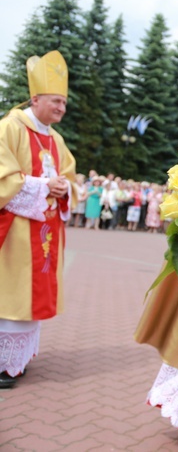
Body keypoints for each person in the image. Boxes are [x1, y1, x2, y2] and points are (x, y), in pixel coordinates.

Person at [0, 50, 76, 389]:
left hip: (45, 231)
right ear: (35, 98)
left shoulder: (57, 139)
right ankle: (4, 363)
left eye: (64, 102)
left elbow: (70, 177)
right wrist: (46, 184)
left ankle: (17, 360)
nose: (61, 108)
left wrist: (64, 189)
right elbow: (4, 178)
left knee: (32, 296)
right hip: (14, 233)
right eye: (56, 101)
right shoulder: (9, 128)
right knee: (10, 293)